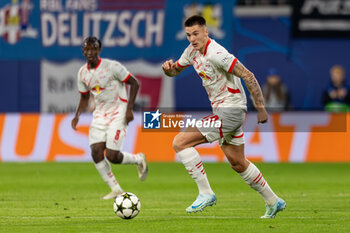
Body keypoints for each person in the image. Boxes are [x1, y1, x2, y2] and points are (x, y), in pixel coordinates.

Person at [162, 15, 285, 218]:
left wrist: (261, 107)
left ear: (206, 32)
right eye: (188, 35)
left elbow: (248, 75)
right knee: (237, 162)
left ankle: (205, 193)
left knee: (180, 142)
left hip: (231, 110)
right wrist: (167, 70)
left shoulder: (217, 53)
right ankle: (273, 201)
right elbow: (175, 71)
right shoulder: (191, 52)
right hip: (221, 111)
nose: (192, 38)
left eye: (196, 33)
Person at [71, 37, 148, 200]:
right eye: (87, 49)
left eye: (94, 49)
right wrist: (77, 116)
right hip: (99, 115)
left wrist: (129, 109)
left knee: (113, 156)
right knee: (96, 151)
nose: (90, 52)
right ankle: (116, 189)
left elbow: (134, 84)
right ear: (83, 51)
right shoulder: (82, 73)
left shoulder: (112, 67)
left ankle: (138, 159)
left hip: (118, 112)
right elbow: (85, 97)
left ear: (99, 50)